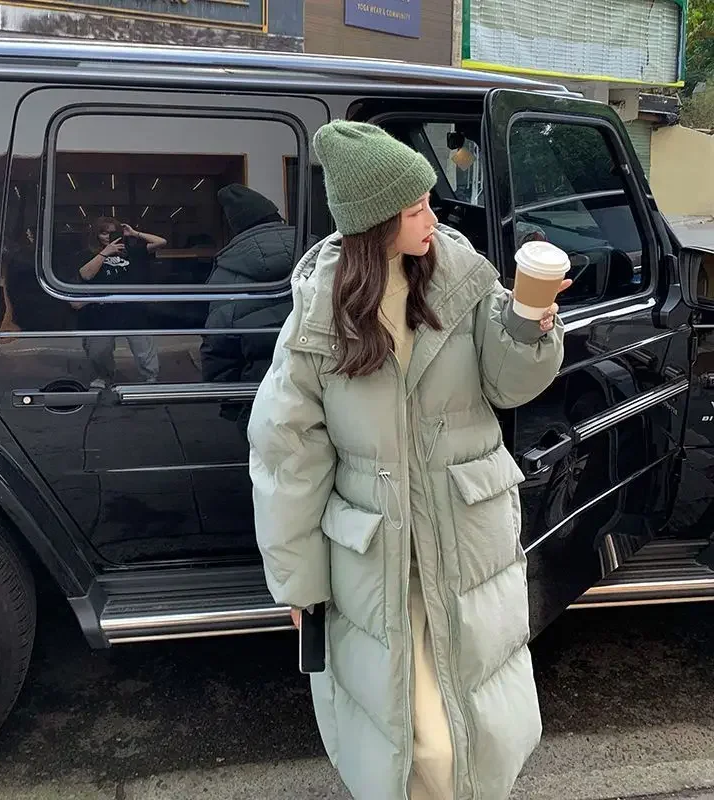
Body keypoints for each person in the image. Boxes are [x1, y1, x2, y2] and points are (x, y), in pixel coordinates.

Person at [247, 122, 569, 800]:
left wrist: (528, 323)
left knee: (473, 731)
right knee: (419, 742)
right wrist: (299, 583)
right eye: (416, 207)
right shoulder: (318, 314)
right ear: (374, 223)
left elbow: (510, 384)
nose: (433, 216)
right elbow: (287, 457)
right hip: (377, 561)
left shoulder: (458, 275)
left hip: (463, 543)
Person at [200, 184, 307, 438]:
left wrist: (233, 403)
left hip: (261, 393)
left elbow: (217, 346)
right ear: (276, 215)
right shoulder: (317, 250)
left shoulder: (224, 274)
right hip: (326, 386)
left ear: (236, 228)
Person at [76, 217, 167, 386]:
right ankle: (104, 376)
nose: (109, 237)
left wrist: (134, 233)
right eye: (104, 233)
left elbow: (161, 242)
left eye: (113, 233)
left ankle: (150, 378)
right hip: (101, 310)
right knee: (98, 351)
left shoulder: (131, 251)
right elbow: (85, 274)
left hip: (131, 306)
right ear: (96, 235)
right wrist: (105, 252)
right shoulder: (88, 254)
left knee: (143, 347)